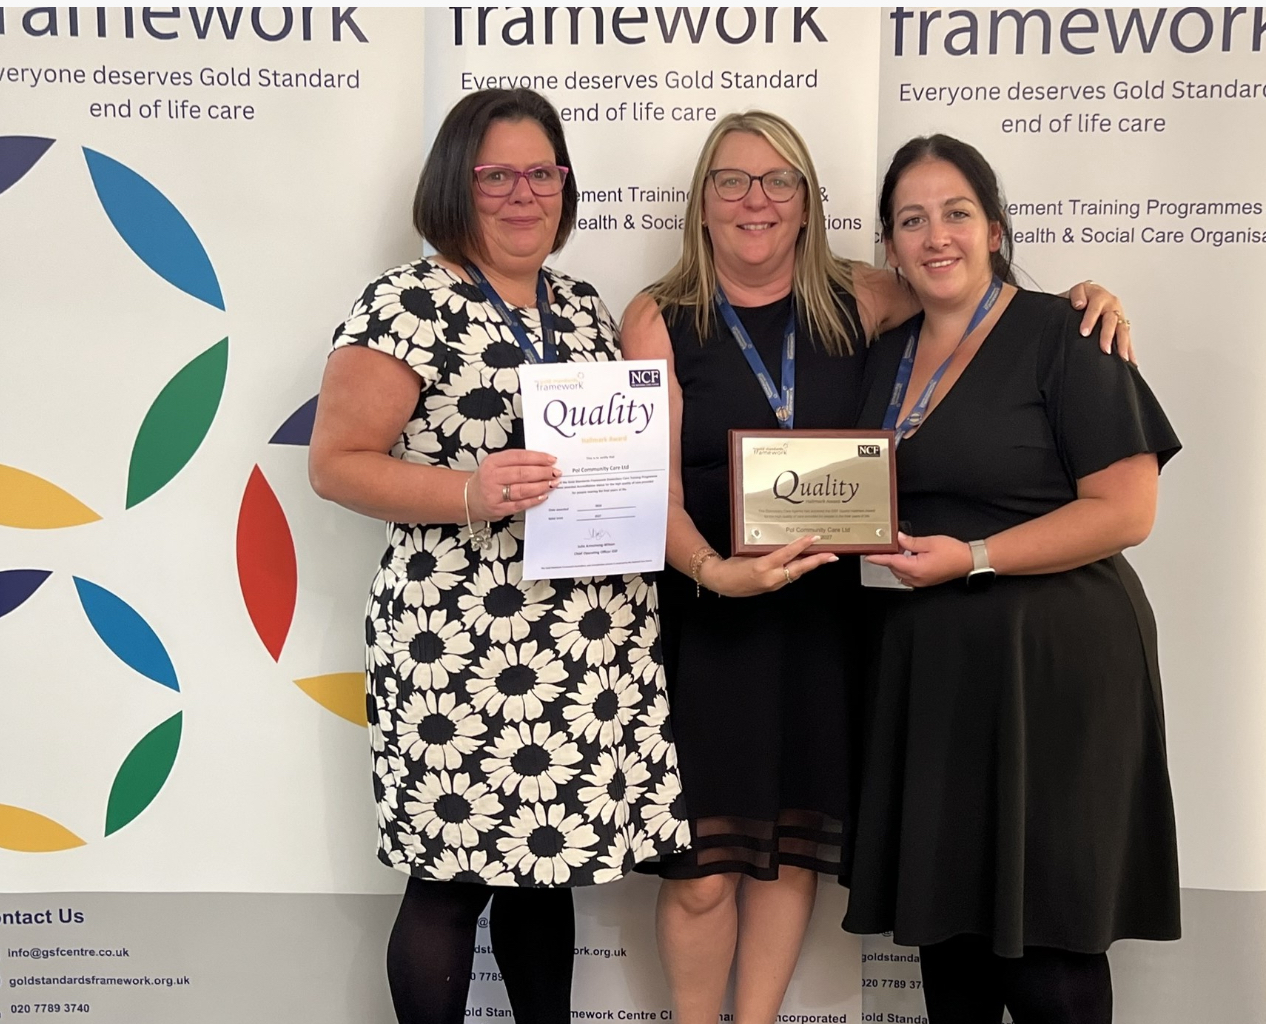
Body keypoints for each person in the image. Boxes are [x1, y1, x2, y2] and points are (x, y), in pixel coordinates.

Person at [619, 110, 1131, 1024]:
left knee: (791, 853)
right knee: (704, 873)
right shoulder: (659, 316)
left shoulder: (860, 297)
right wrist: (711, 572)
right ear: (701, 203)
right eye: (732, 181)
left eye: (780, 182)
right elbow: (645, 486)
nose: (756, 200)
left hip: (831, 620)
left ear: (811, 205)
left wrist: (1083, 300)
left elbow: (978, 308)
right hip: (714, 615)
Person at [308, 88, 686, 1024]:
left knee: (541, 872)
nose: (525, 193)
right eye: (497, 174)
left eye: (542, 172)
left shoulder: (584, 305)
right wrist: (467, 491)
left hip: (579, 638)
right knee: (449, 878)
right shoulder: (407, 301)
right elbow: (335, 465)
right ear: (456, 185)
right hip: (459, 644)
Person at [842, 134, 1181, 1024]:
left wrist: (977, 557)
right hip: (933, 681)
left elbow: (1125, 510)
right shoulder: (884, 353)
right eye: (910, 220)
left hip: (1052, 676)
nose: (935, 236)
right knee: (948, 938)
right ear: (890, 246)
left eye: (956, 213)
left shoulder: (1069, 331)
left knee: (1050, 943)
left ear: (994, 228)